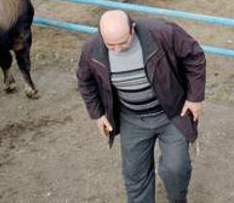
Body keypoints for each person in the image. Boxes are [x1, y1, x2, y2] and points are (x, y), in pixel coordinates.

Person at [76, 10, 206, 203]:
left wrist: (194, 98)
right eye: (111, 45)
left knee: (175, 168)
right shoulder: (92, 48)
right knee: (135, 174)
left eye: (123, 42)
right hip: (132, 119)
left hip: (171, 113)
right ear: (101, 35)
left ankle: (178, 199)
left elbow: (194, 56)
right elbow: (85, 81)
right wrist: (98, 114)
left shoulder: (162, 33)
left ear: (133, 28)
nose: (118, 49)